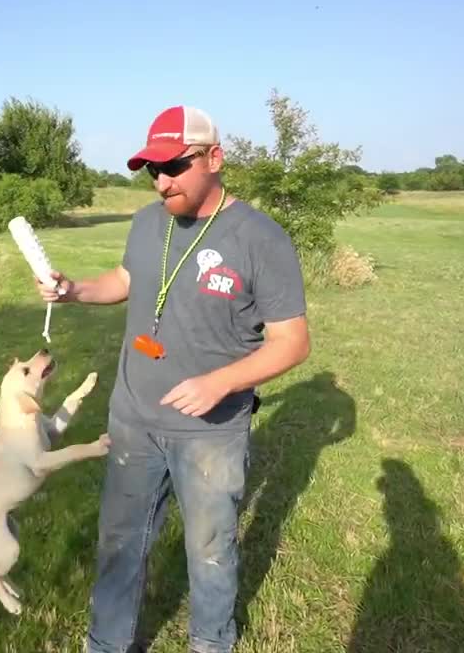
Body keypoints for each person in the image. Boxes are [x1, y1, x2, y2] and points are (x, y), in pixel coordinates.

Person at [35, 105, 311, 653]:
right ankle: (107, 644)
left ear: (214, 158)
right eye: (150, 170)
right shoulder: (146, 222)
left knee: (209, 551)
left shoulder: (261, 238)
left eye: (174, 166)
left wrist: (222, 382)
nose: (161, 181)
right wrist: (75, 292)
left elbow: (293, 342)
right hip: (133, 417)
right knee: (119, 542)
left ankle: (211, 643)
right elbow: (125, 279)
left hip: (209, 429)